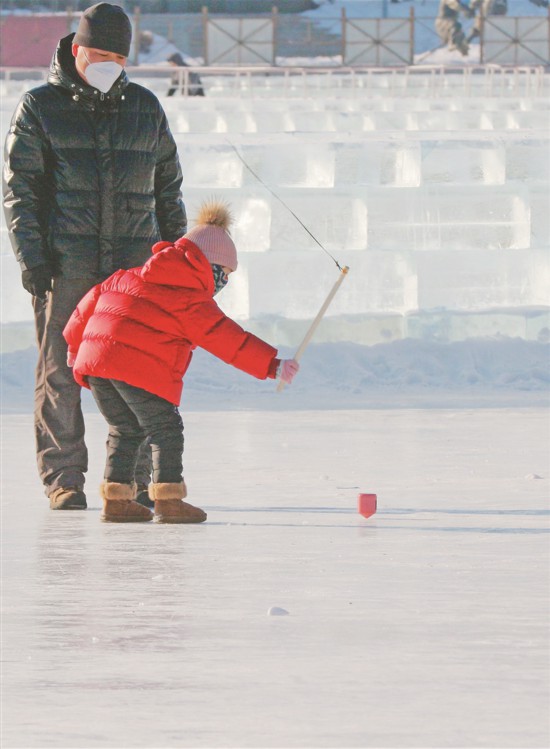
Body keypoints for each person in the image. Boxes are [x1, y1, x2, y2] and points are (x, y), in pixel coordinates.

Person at [2, 3, 187, 511]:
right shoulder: (39, 106)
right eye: (98, 53)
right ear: (76, 49)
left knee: (135, 369)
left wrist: (175, 258)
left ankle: (134, 479)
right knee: (60, 371)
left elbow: (167, 189)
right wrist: (32, 258)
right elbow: (20, 191)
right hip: (66, 264)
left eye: (116, 56)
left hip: (132, 264)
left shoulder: (146, 107)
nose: (107, 63)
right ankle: (64, 478)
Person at [62, 200, 300, 524]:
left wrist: (75, 352)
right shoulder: (188, 296)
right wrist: (272, 365)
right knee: (166, 429)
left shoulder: (126, 276)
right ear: (209, 266)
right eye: (225, 275)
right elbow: (226, 337)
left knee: (125, 428)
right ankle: (169, 501)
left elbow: (84, 310)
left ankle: (116, 500)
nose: (224, 283)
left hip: (97, 365)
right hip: (132, 366)